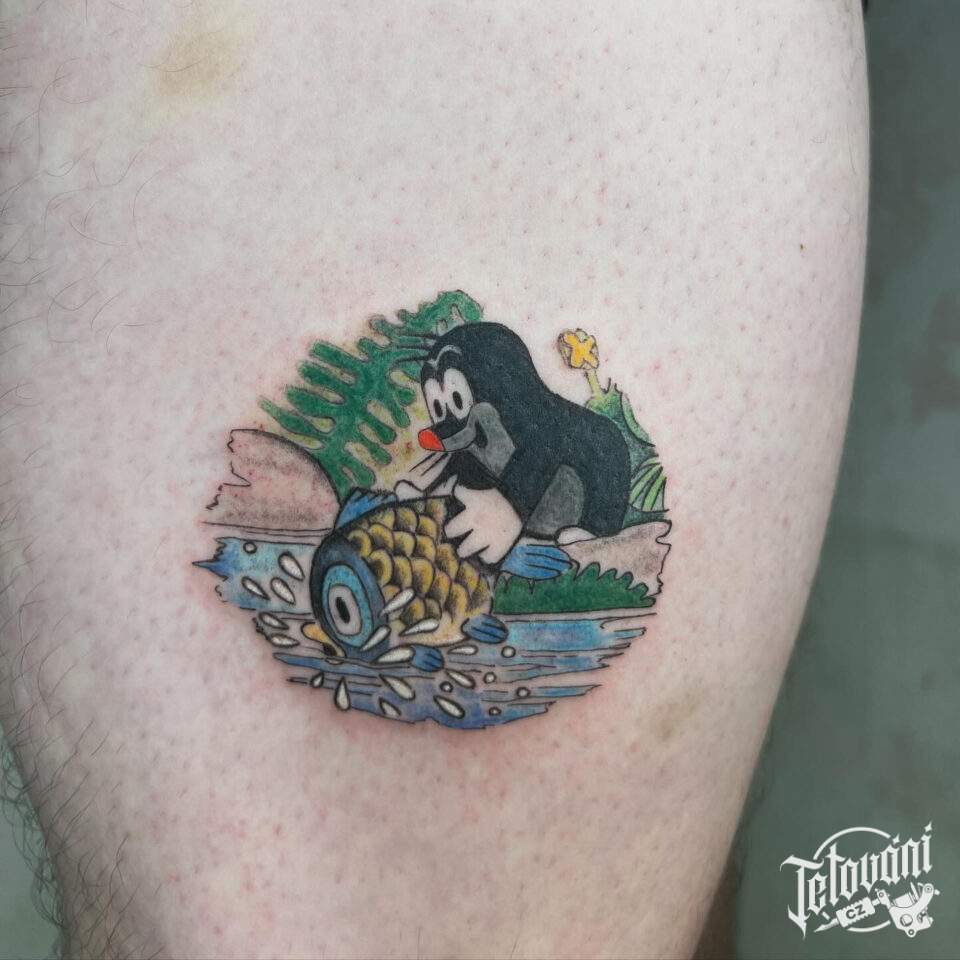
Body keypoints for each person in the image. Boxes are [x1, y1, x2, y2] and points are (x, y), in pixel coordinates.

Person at [0, 2, 868, 956]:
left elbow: (560, 481)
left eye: (458, 402)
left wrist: (520, 521)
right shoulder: (470, 437)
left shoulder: (549, 436)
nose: (445, 420)